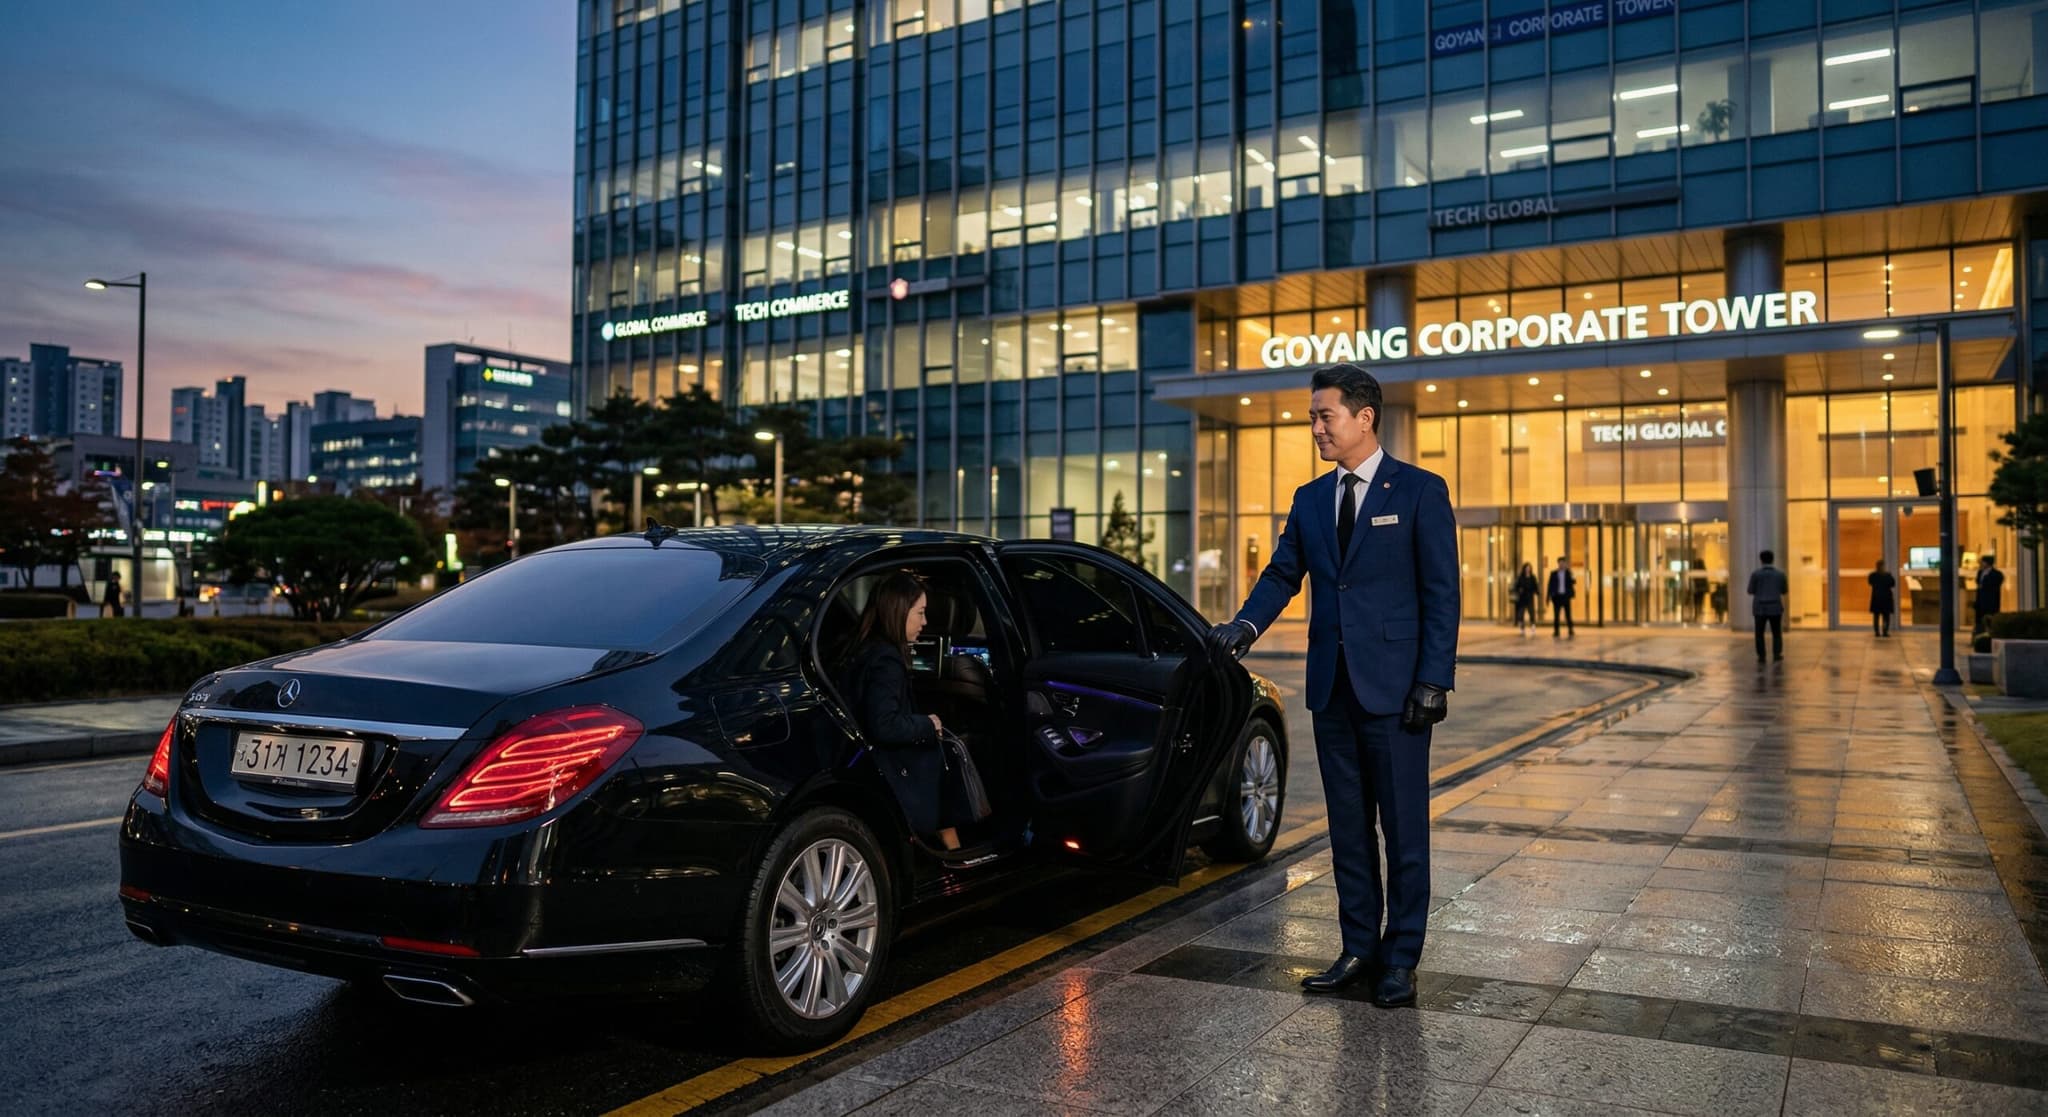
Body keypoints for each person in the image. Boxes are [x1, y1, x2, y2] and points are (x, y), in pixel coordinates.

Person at [1206, 362, 1457, 1009]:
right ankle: (1358, 948)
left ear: (1364, 417)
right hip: (1333, 692)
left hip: (1398, 695)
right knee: (1348, 828)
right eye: (1312, 416)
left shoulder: (1420, 491)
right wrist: (1245, 624)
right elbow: (1282, 573)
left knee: (1404, 832)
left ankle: (1400, 959)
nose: (1315, 427)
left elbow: (1441, 594)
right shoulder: (1311, 498)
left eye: (1326, 415)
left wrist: (1433, 679)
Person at [840, 571, 961, 851]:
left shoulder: (863, 648)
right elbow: (884, 725)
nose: (924, 622)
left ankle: (953, 852)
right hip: (890, 769)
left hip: (862, 763)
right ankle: (955, 856)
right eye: (920, 613)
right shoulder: (887, 660)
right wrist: (928, 724)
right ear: (899, 611)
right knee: (947, 760)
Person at [1748, 550, 1788, 663]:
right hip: (1775, 607)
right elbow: (1784, 590)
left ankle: (1761, 656)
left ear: (1761, 560)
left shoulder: (1756, 574)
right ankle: (1777, 654)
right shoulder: (1780, 574)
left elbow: (1750, 590)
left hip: (1759, 608)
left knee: (1759, 633)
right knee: (1776, 632)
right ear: (1773, 559)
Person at [1976, 555, 2005, 638]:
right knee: (1980, 619)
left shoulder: (1997, 574)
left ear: (1987, 563)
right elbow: (1978, 583)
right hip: (1981, 600)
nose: (1981, 564)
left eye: (1983, 562)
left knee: (1990, 618)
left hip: (1991, 601)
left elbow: (1995, 585)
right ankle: (1979, 635)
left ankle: (1990, 634)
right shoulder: (1980, 572)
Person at [1547, 556, 1576, 638]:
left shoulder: (1568, 573)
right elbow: (1550, 585)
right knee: (1556, 615)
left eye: (1563, 563)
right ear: (1558, 563)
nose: (1561, 564)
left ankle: (1570, 630)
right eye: (1560, 563)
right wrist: (1549, 596)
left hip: (1565, 596)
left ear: (1565, 564)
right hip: (1557, 597)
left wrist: (1571, 573)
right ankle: (1556, 631)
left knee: (1568, 615)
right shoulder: (1553, 573)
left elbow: (1574, 582)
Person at [1867, 560, 1896, 638]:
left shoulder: (1873, 575)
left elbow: (1870, 582)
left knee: (1878, 616)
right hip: (1885, 598)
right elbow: (1892, 584)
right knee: (1885, 617)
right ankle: (1884, 632)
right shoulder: (1887, 575)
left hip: (1877, 598)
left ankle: (1878, 632)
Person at [1512, 562, 1539, 637]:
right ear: (1524, 569)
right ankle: (1522, 628)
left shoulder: (1532, 577)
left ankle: (1533, 627)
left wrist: (1536, 592)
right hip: (1522, 599)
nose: (1528, 570)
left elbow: (1536, 586)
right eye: (1526, 568)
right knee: (1521, 614)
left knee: (1531, 613)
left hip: (1530, 598)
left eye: (1529, 568)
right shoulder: (1520, 577)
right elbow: (1516, 587)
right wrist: (1519, 590)